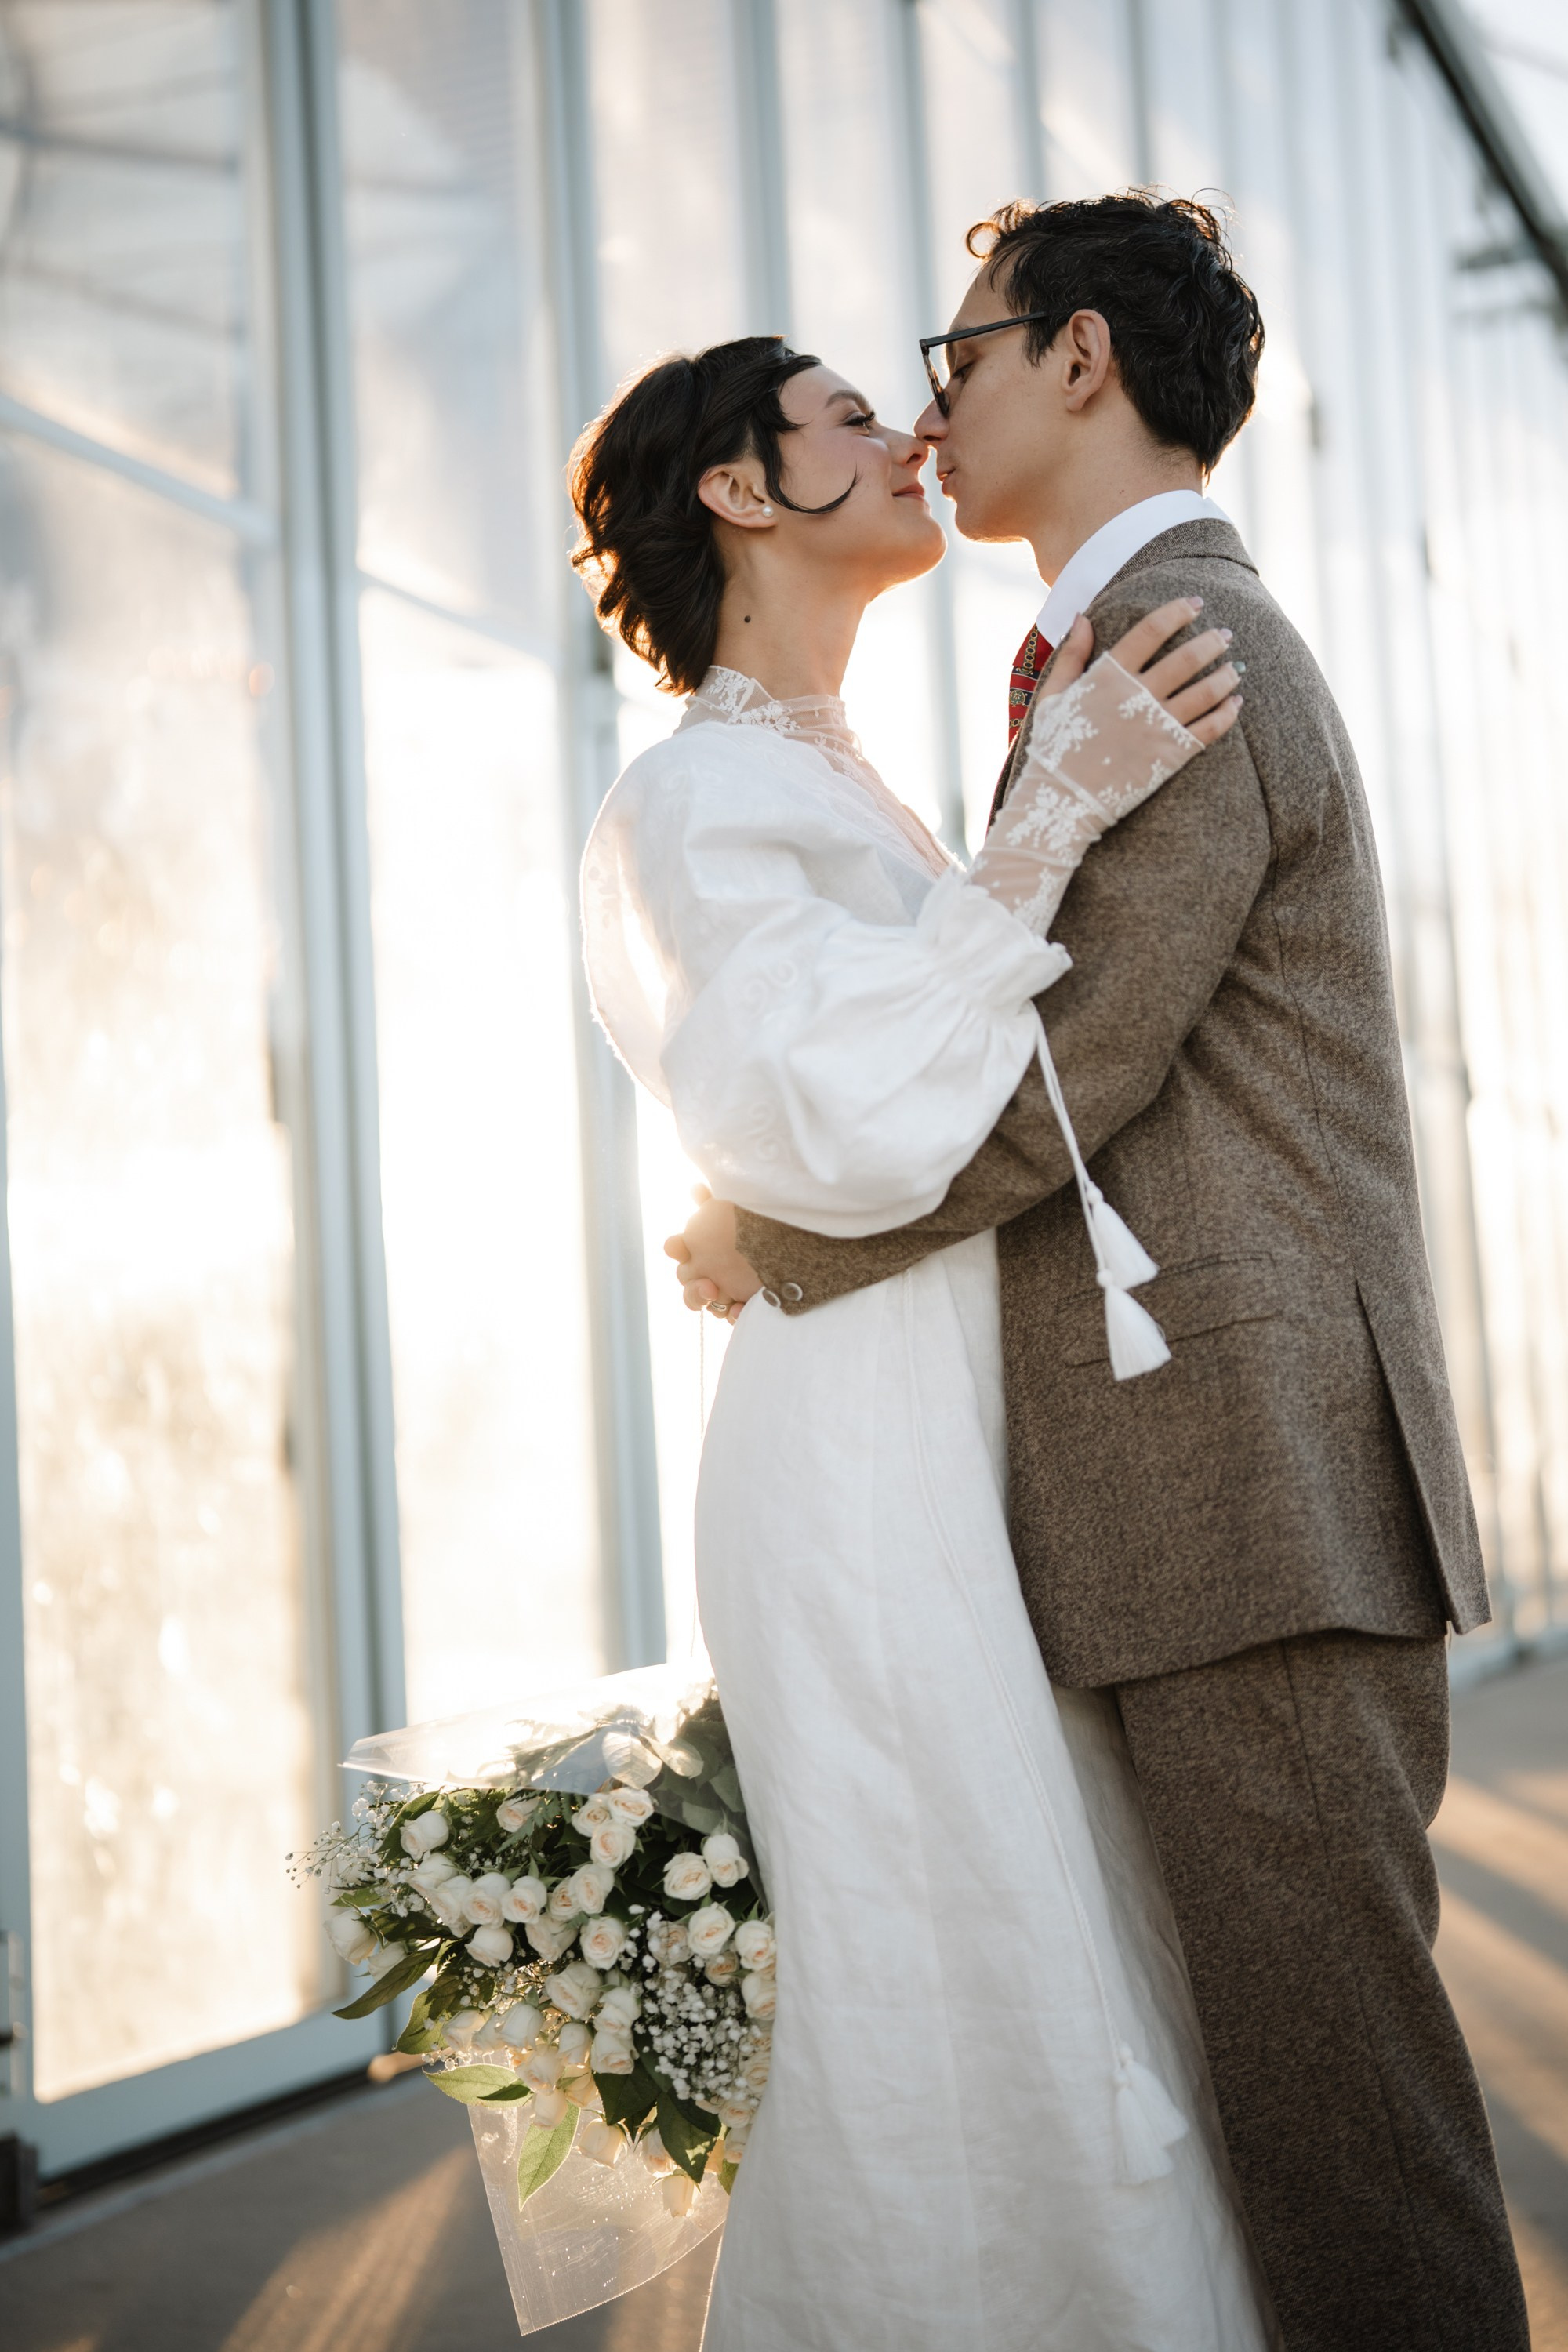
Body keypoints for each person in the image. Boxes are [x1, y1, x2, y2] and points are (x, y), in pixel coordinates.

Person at [668, 194, 1530, 2352]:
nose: (930, 410)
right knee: (1288, 2109)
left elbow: (1079, 1062)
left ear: (1078, 359)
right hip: (1200, 1494)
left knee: (1344, 2127)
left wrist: (775, 1235)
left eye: (954, 357)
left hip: (1246, 1490)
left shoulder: (1176, 647)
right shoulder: (1111, 650)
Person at [572, 332, 1275, 2348]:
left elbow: (906, 1085)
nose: (912, 436)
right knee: (951, 1984)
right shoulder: (690, 793)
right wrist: (1053, 821)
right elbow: (835, 1115)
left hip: (957, 1419)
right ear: (737, 492)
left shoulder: (842, 776)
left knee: (1045, 1941)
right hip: (858, 1459)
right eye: (850, 419)